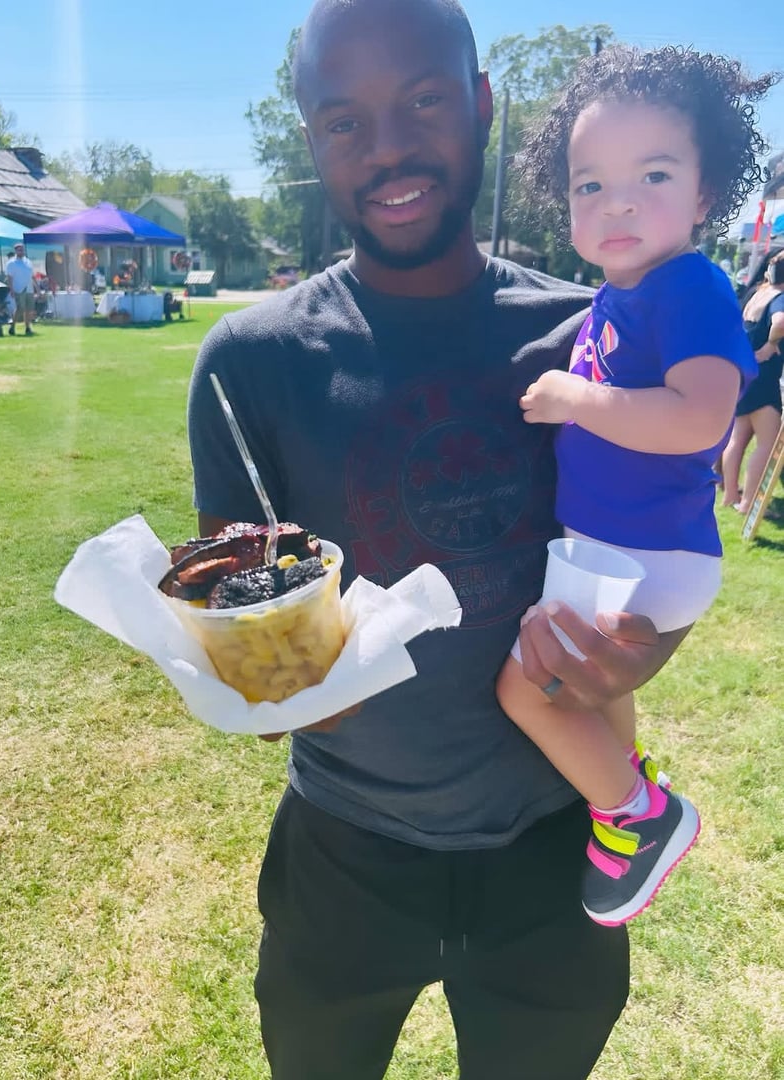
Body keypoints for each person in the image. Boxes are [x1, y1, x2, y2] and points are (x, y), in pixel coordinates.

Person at [186, 3, 711, 1076]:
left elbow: (663, 527)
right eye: (343, 121)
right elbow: (248, 629)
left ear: (478, 105)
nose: (386, 150)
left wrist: (652, 641)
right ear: (308, 138)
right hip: (343, 855)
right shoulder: (252, 365)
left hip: (552, 853)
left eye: (422, 99)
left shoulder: (589, 336)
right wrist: (244, 672)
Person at [493, 46, 771, 929]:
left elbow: (698, 418)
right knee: (597, 692)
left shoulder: (688, 284)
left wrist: (576, 397)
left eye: (651, 174)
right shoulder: (624, 291)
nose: (615, 202)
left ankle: (639, 819)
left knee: (522, 688)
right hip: (628, 545)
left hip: (643, 549)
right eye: (588, 185)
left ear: (703, 194)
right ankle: (627, 796)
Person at [721, 250, 784, 512]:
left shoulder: (759, 293)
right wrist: (771, 344)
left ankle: (730, 495)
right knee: (767, 447)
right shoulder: (779, 298)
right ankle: (747, 503)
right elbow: (780, 322)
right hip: (765, 378)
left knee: (738, 439)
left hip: (745, 376)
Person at [5, 242, 39, 335]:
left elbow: (32, 276)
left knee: (29, 309)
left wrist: (37, 289)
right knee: (20, 308)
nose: (21, 251)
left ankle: (27, 327)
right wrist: (11, 289)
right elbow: (9, 278)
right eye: (19, 250)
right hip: (19, 288)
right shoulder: (11, 263)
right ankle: (12, 326)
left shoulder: (28, 262)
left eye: (22, 249)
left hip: (29, 289)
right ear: (16, 251)